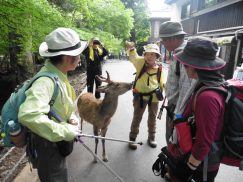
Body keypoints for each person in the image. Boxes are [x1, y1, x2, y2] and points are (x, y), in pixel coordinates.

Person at [18, 27, 87, 182]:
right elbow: (28, 114)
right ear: (68, 58)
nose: (80, 58)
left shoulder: (58, 74)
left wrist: (70, 116)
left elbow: (59, 104)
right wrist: (64, 131)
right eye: (78, 55)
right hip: (48, 145)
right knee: (55, 177)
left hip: (53, 141)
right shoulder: (45, 82)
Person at [169, 37, 226, 182]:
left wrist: (188, 168)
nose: (184, 66)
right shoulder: (205, 84)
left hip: (203, 163)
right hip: (199, 157)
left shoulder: (207, 97)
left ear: (196, 65)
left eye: (186, 64)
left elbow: (204, 140)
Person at [159, 21, 197, 143]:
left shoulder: (184, 55)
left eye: (163, 40)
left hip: (178, 110)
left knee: (174, 143)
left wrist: (178, 118)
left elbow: (186, 91)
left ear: (173, 38)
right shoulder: (179, 53)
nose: (162, 43)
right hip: (176, 107)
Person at [126, 42, 165, 149]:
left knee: (152, 118)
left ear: (157, 56)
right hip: (140, 97)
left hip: (154, 97)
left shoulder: (160, 68)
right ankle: (132, 138)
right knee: (137, 117)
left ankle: (151, 138)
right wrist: (132, 48)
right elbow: (133, 57)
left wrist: (166, 94)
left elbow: (162, 83)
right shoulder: (140, 63)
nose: (149, 56)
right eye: (147, 54)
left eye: (152, 54)